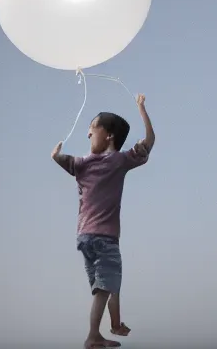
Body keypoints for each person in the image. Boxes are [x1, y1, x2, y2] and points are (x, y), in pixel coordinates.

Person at [51, 94, 155, 349]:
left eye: (92, 129)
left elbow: (61, 159)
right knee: (106, 284)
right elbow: (150, 141)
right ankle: (93, 336)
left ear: (108, 135)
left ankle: (115, 324)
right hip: (104, 236)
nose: (87, 134)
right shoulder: (119, 161)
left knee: (107, 283)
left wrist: (56, 154)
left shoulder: (82, 164)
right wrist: (142, 109)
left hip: (84, 237)